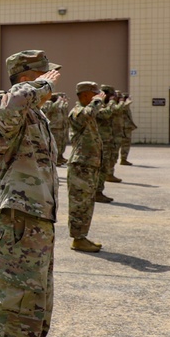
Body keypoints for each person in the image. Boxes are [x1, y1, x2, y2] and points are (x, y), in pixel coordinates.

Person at [0, 50, 62, 337]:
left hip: (36, 218)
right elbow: (15, 100)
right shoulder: (10, 106)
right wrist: (41, 85)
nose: (48, 81)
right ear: (24, 77)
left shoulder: (36, 114)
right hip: (18, 219)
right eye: (39, 75)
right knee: (17, 301)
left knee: (37, 301)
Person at [68, 82, 106, 252]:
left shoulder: (89, 112)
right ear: (84, 95)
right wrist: (97, 101)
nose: (98, 96)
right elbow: (86, 114)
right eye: (94, 93)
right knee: (79, 204)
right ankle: (78, 239)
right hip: (81, 165)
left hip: (89, 165)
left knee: (87, 203)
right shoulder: (77, 111)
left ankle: (81, 237)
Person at [119, 93, 137, 165]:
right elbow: (124, 106)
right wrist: (127, 100)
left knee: (126, 144)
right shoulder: (122, 105)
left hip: (126, 127)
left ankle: (124, 159)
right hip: (124, 127)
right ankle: (123, 159)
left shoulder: (124, 106)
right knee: (125, 143)